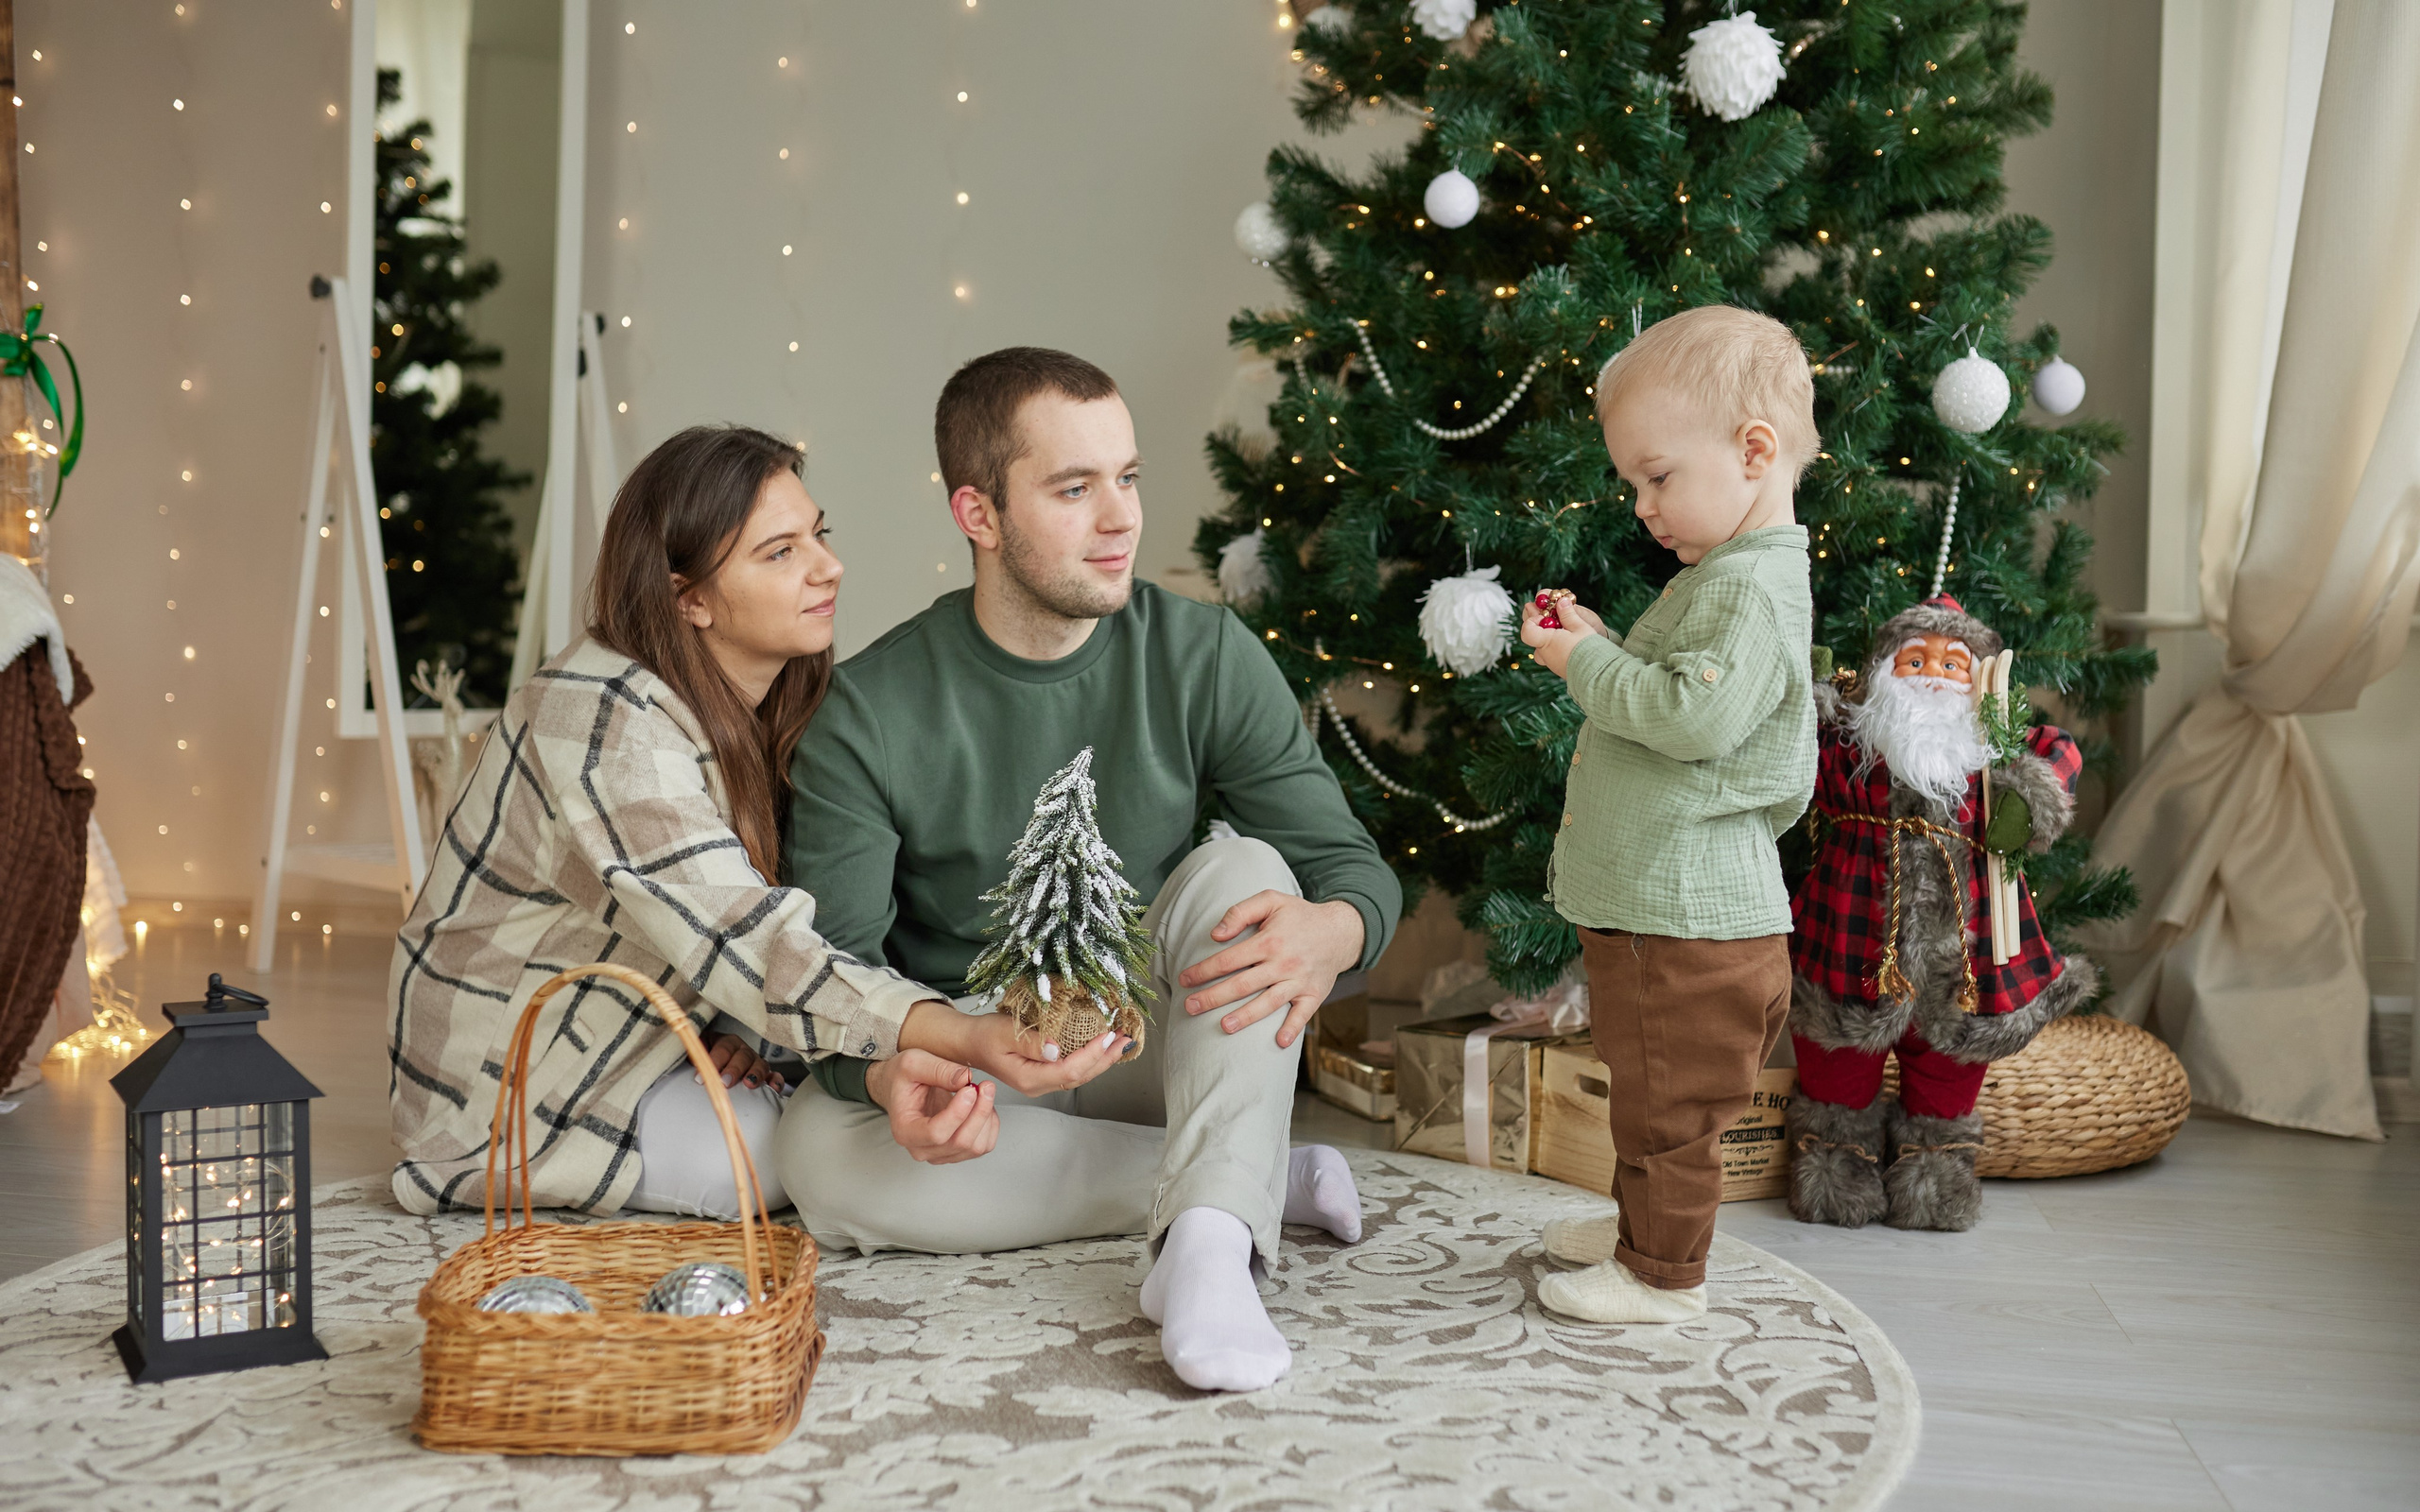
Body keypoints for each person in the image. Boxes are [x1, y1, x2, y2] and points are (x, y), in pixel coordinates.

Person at [778, 347, 1401, 1393]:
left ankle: (1209, 1250)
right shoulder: (867, 712)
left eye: (1129, 477)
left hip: (1146, 1043)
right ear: (978, 514)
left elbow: (1354, 871)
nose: (1121, 519)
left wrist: (1334, 931)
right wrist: (891, 1076)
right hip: (979, 1070)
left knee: (1246, 865)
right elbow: (833, 988)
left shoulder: (1204, 654)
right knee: (818, 1155)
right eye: (1074, 489)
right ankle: (1244, 1176)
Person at [388, 425, 1123, 1219]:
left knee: (899, 1077)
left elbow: (756, 926)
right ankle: (1176, 1184)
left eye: (819, 534)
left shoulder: (775, 697)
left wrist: (741, 1026)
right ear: (689, 598)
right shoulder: (604, 719)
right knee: (800, 1149)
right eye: (779, 553)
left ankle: (1167, 1165)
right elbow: (750, 940)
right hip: (513, 1089)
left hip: (652, 1027)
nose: (828, 566)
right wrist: (950, 1036)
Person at [1515, 305, 1820, 1325]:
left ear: (1754, 452)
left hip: (1689, 923)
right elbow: (1685, 692)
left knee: (1672, 1112)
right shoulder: (1729, 577)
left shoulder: (1745, 591)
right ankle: (1639, 1231)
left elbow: (1692, 718)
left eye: (1657, 477)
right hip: (1667, 912)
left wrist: (1582, 664)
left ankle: (1660, 1276)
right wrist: (1604, 644)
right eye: (1632, 485)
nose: (1643, 506)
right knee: (1650, 1089)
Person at [1785, 593, 2094, 1231]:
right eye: (1915, 659)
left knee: (1951, 1067)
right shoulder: (1852, 741)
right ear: (1882, 672)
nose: (1932, 674)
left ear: (1978, 681)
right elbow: (1796, 752)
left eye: (1952, 664)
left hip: (1968, 958)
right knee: (1835, 1055)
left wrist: (2030, 793)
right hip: (1851, 937)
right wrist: (1807, 700)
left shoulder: (1994, 745)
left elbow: (2059, 751)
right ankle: (1834, 1167)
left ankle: (1935, 1174)